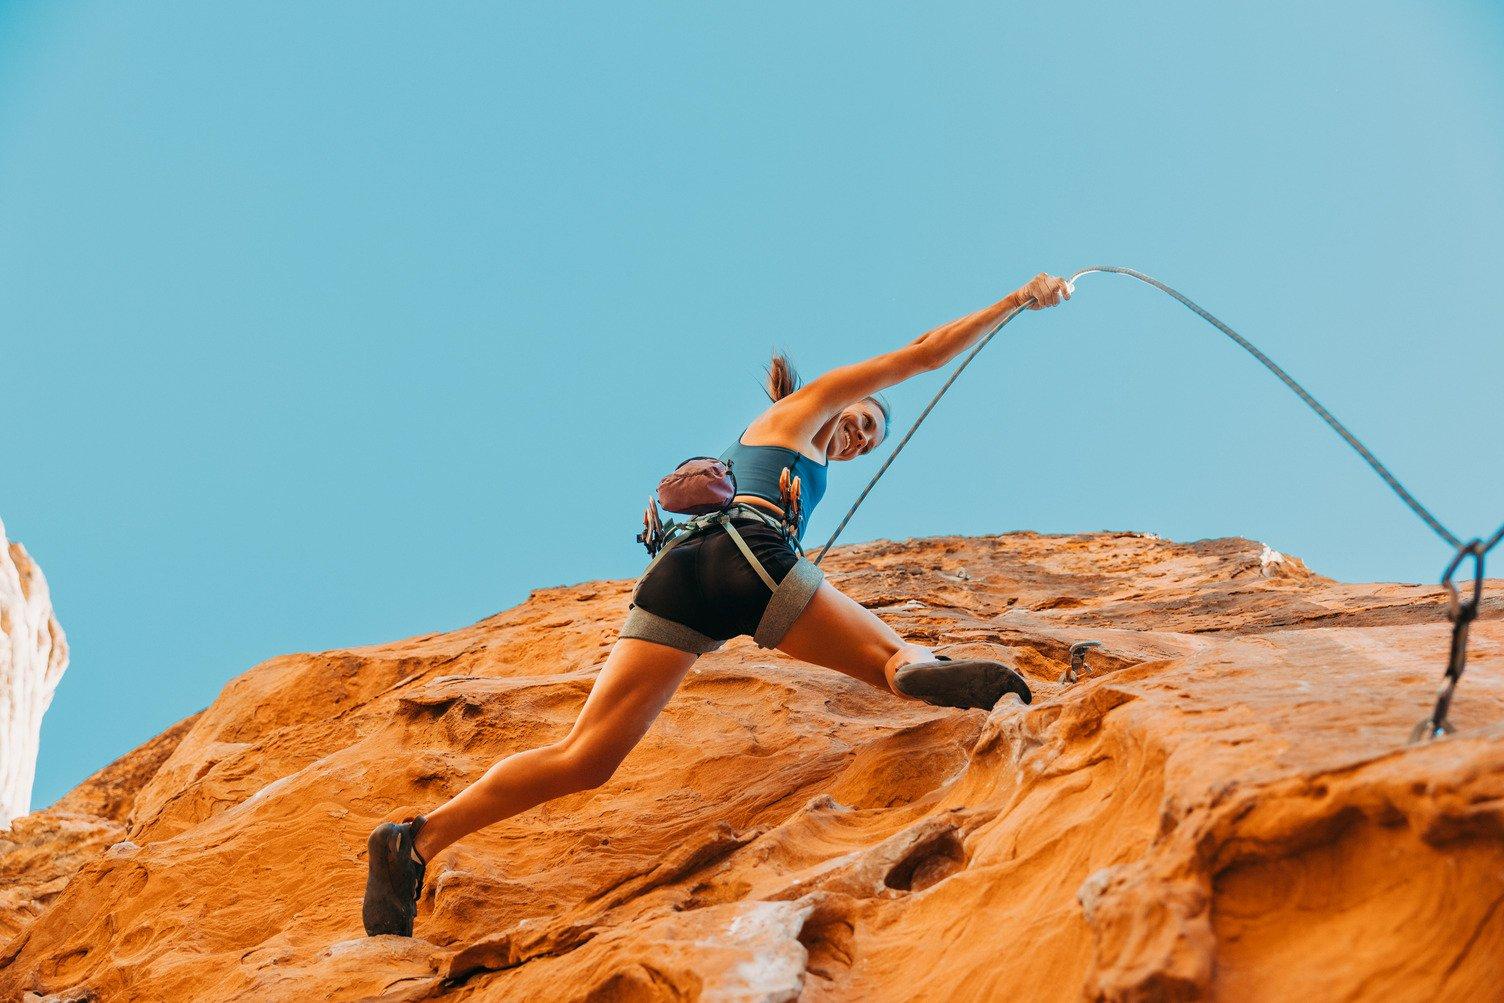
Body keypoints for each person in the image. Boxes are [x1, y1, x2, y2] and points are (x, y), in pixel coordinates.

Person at [362, 272, 1073, 937]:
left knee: (586, 755)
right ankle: (913, 666)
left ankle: (412, 841)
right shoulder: (806, 405)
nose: (857, 436)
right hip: (747, 557)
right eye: (860, 421)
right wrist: (1014, 300)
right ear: (840, 400)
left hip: (680, 575)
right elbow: (922, 353)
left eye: (867, 439)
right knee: (890, 658)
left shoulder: (773, 454)